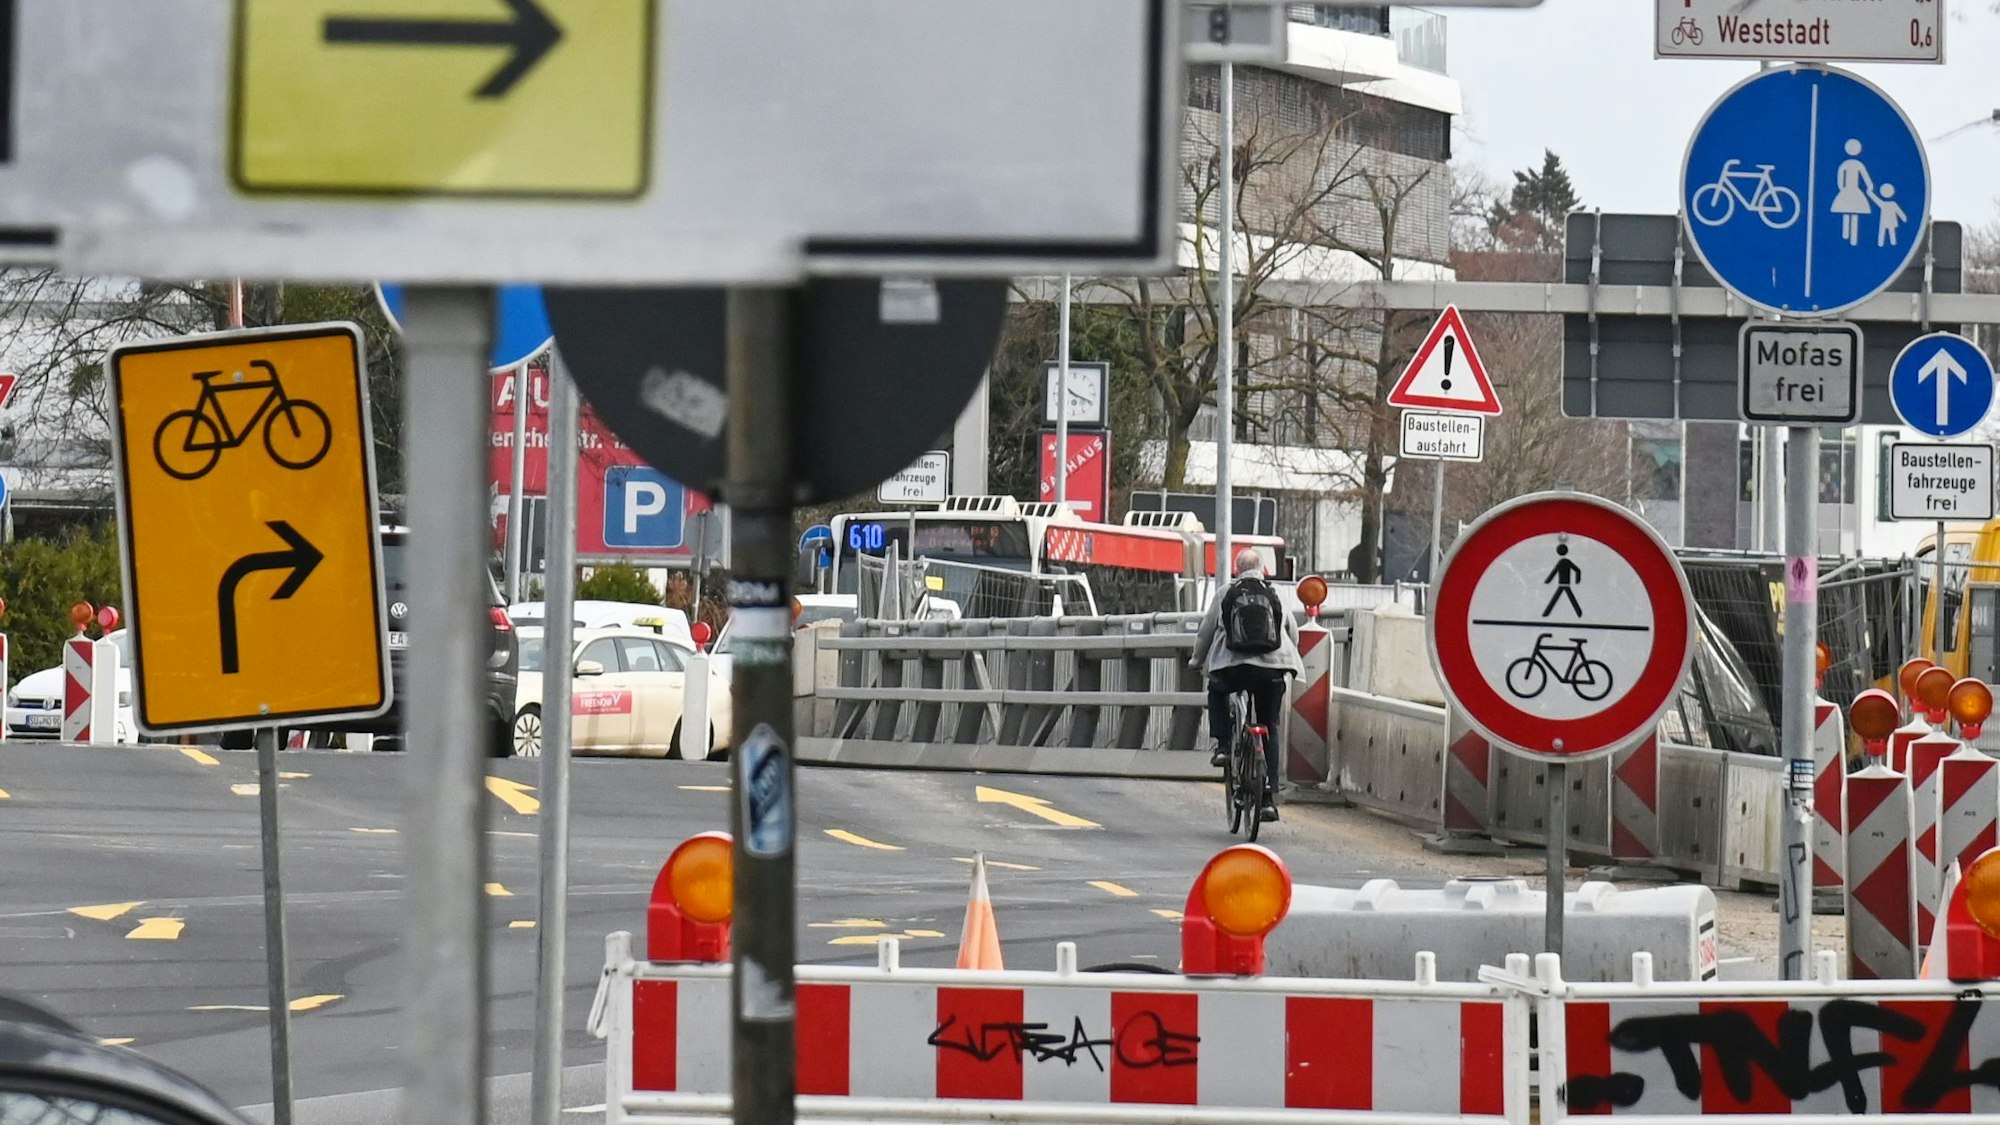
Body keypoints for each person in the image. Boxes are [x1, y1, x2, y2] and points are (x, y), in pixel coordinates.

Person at [1193, 548, 1304, 822]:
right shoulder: (1274, 592)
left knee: (1216, 690)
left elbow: (1206, 631)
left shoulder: (1225, 592)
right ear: (1263, 569)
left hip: (1233, 668)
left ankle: (1221, 746)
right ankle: (1268, 799)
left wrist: (1197, 660)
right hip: (1273, 670)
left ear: (1236, 569)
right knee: (1270, 726)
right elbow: (1292, 631)